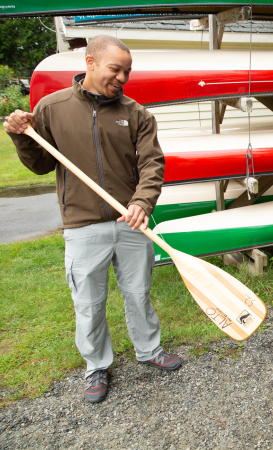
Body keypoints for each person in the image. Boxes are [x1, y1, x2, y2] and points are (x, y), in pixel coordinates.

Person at [3, 35, 181, 404]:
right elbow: (39, 164)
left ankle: (149, 350)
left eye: (127, 72)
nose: (122, 78)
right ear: (91, 62)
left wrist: (142, 202)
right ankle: (96, 365)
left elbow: (152, 164)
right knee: (88, 301)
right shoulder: (52, 108)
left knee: (139, 293)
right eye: (116, 69)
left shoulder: (137, 114)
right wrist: (21, 136)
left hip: (130, 222)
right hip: (82, 225)